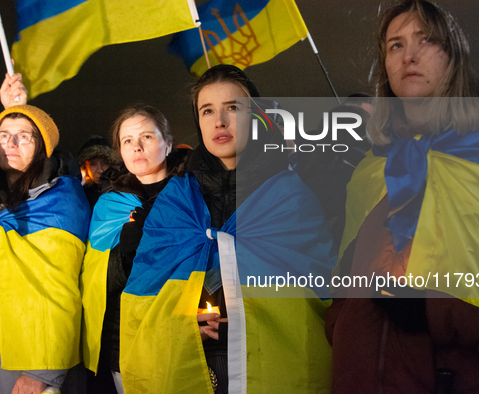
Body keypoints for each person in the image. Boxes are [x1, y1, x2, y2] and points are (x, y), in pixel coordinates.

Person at [325, 1, 479, 393]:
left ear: (453, 55)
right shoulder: (375, 168)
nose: (410, 56)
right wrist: (342, 320)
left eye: (427, 41)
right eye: (395, 45)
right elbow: (348, 275)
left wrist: (433, 308)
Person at [119, 65, 336, 393]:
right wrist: (183, 317)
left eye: (233, 108)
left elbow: (318, 296)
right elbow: (145, 295)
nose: (219, 121)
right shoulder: (174, 201)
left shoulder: (292, 197)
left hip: (270, 369)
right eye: (207, 111)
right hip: (193, 363)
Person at [0, 104, 90, 394]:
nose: (11, 144)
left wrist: (42, 372)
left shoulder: (62, 202)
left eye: (23, 137)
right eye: (3, 136)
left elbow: (62, 290)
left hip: (29, 366)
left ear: (42, 146)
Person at [81, 104, 190, 394]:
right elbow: (100, 280)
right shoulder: (108, 204)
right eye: (128, 141)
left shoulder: (193, 196)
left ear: (168, 144)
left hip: (184, 332)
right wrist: (127, 249)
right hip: (126, 336)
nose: (137, 147)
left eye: (147, 137)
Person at [77, 135, 119, 210]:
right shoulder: (77, 193)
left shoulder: (122, 191)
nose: (100, 170)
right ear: (84, 167)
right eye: (93, 164)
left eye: (105, 163)